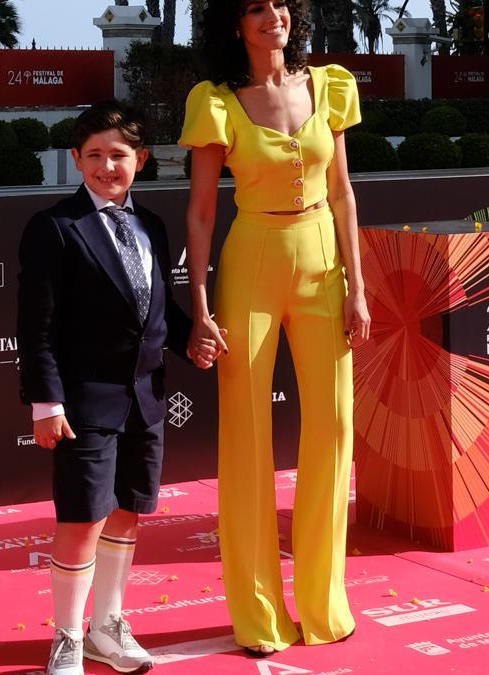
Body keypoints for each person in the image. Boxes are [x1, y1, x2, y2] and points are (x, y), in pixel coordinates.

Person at [178, 0, 372, 655]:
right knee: (247, 436)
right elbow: (202, 212)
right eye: (256, 8)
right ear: (237, 25)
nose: (273, 17)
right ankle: (259, 616)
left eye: (282, 4)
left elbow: (344, 192)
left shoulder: (330, 85)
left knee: (335, 427)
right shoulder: (216, 102)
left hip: (322, 260)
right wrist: (199, 305)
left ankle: (323, 604)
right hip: (252, 258)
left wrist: (359, 286)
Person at [18, 101, 216, 675]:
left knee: (128, 512)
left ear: (143, 160)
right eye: (96, 155)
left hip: (146, 399)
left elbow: (157, 310)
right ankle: (67, 638)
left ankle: (108, 627)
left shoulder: (151, 225)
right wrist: (47, 403)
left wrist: (193, 339)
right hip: (82, 403)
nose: (109, 166)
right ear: (76, 160)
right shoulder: (54, 228)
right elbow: (36, 328)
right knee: (82, 518)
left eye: (121, 155)